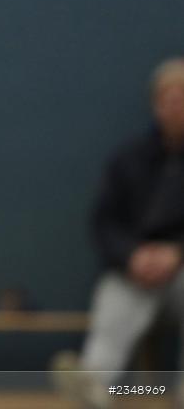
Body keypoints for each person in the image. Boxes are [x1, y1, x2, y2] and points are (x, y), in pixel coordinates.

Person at [53, 57, 184, 408]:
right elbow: (104, 224)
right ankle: (95, 388)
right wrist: (132, 256)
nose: (178, 107)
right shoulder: (128, 159)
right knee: (115, 305)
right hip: (134, 272)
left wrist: (176, 254)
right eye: (171, 99)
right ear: (157, 105)